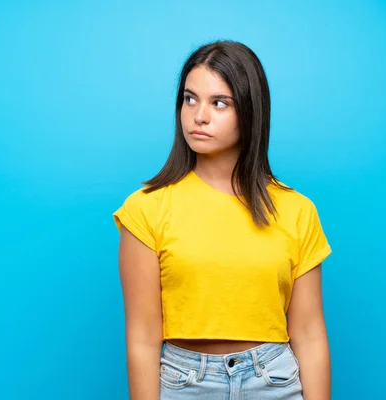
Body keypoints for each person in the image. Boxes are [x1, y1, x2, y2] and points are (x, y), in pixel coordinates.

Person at [113, 40, 332, 399]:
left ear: (250, 111)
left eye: (219, 103)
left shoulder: (296, 209)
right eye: (190, 98)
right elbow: (142, 339)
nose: (199, 115)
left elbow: (309, 335)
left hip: (275, 381)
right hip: (185, 384)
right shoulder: (145, 209)